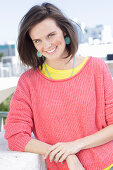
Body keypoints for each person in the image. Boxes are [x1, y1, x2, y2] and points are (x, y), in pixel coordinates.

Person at [4, 2, 113, 170]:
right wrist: (66, 153)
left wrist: (76, 145)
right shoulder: (29, 81)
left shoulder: (96, 68)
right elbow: (15, 136)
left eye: (51, 35)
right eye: (37, 40)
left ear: (64, 31)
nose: (47, 45)